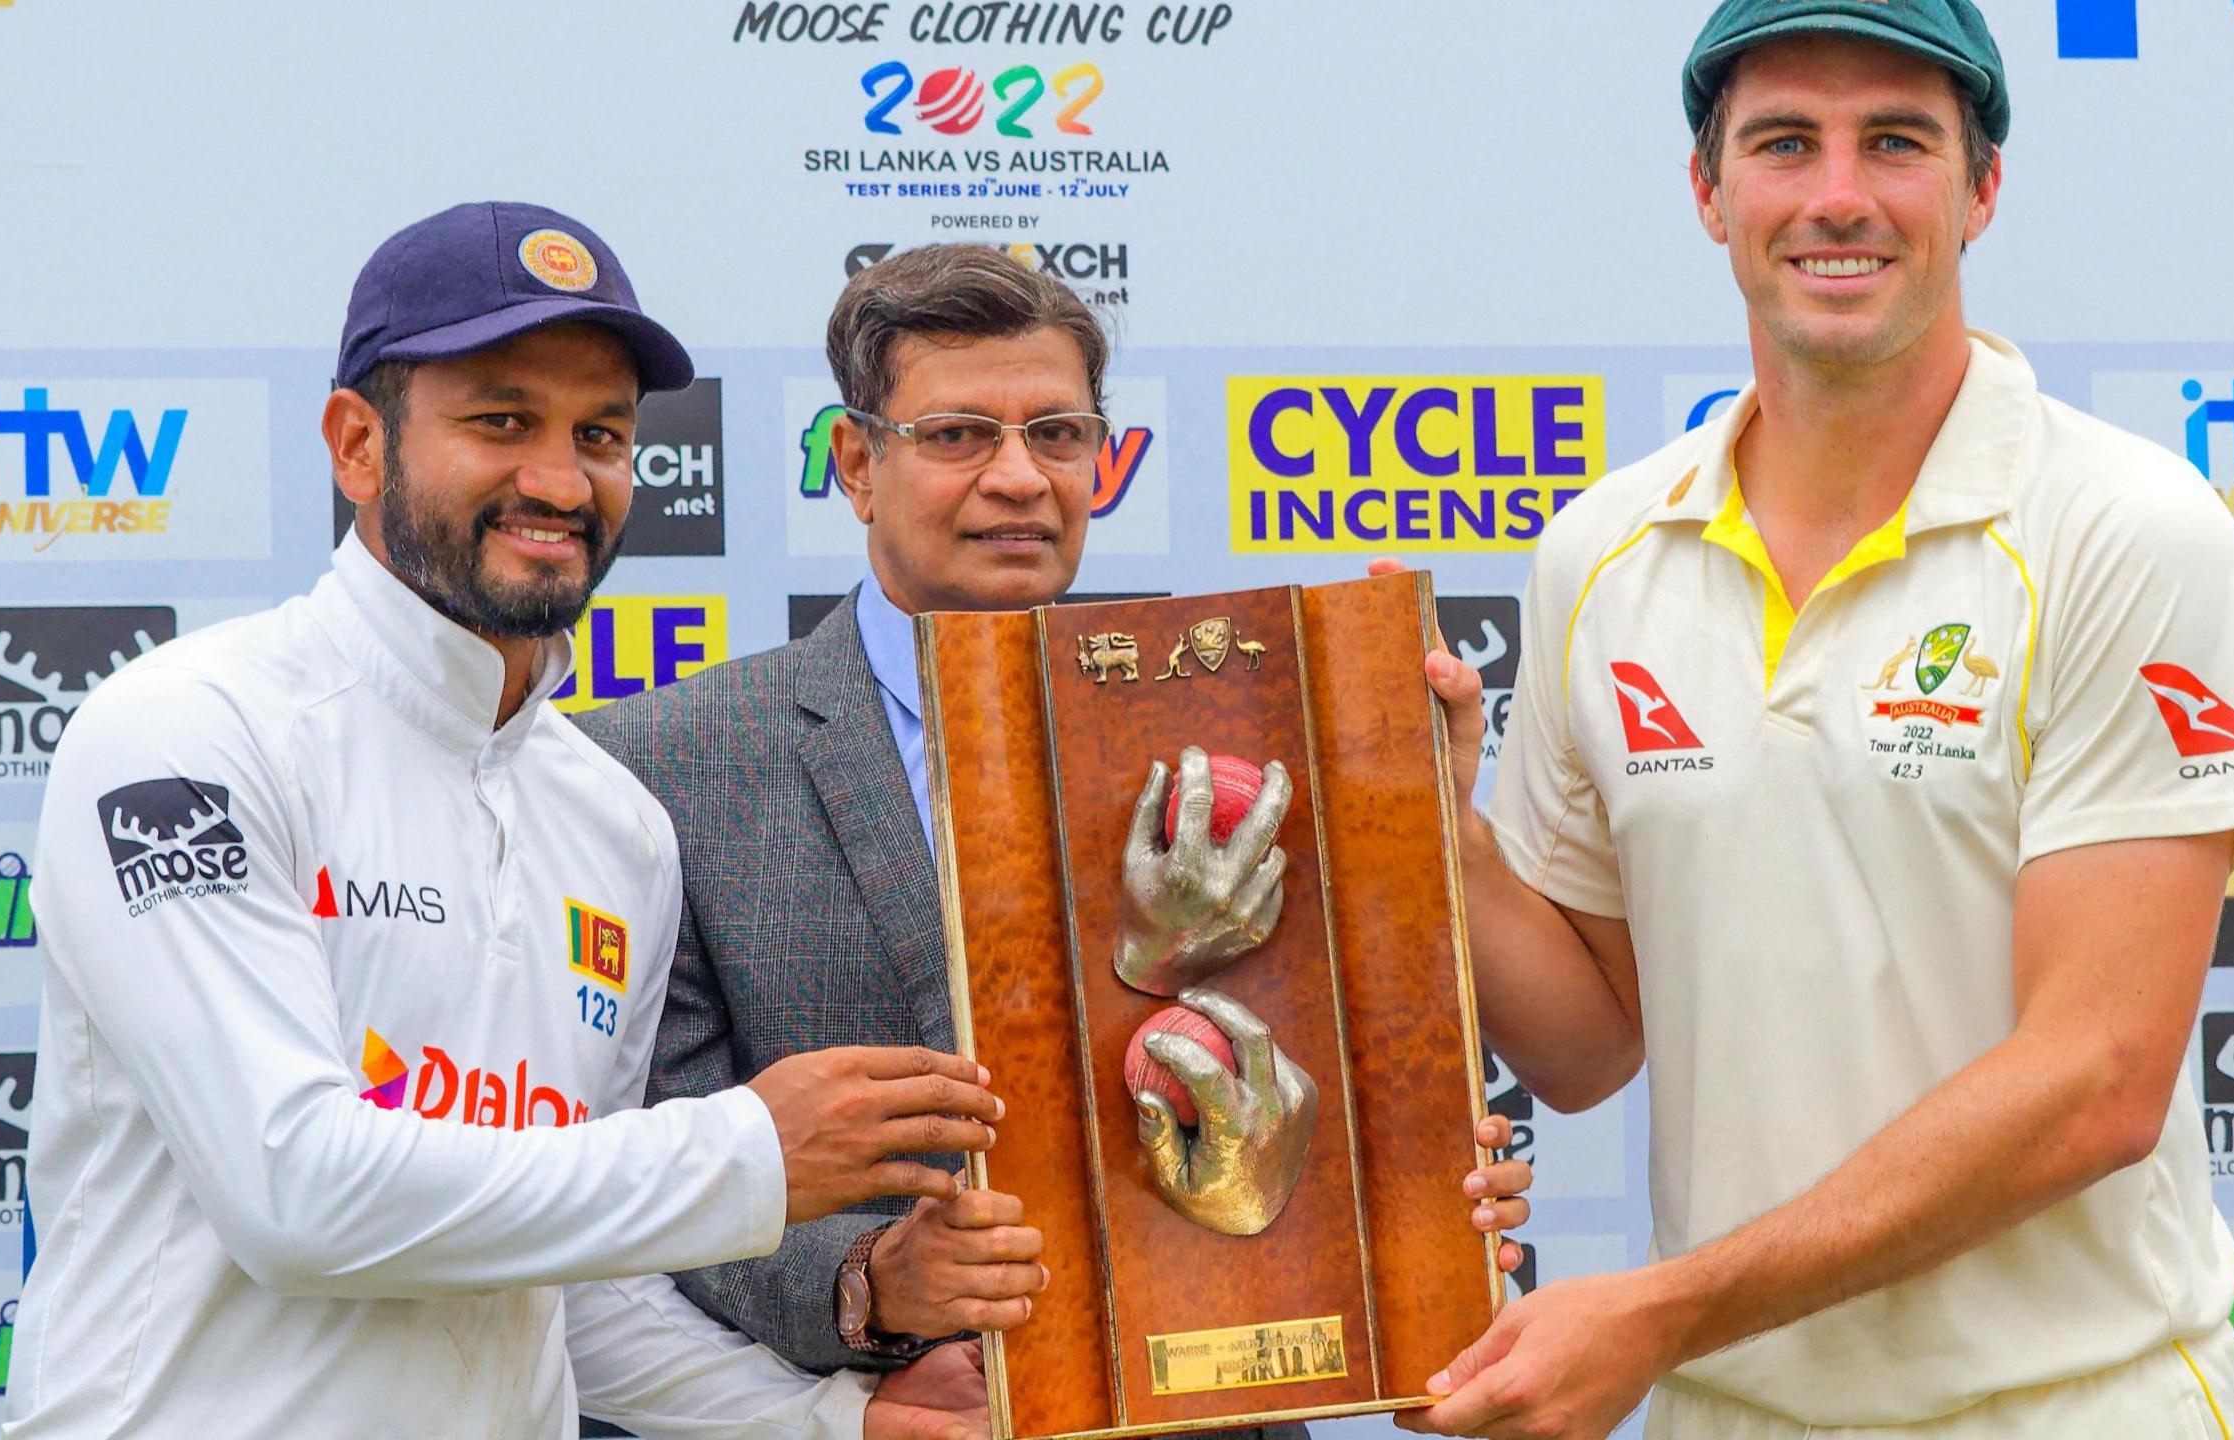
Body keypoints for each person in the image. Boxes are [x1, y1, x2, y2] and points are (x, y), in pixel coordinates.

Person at [1396, 4, 2234, 1437]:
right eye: (1784, 143)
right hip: (1723, 1402)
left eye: (1897, 142)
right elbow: (1587, 1048)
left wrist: (1665, 1306)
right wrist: (1442, 833)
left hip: (2067, 1403)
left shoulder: (2125, 528)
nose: (1838, 197)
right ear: (1709, 191)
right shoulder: (1602, 549)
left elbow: (2102, 1082)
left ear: (1983, 188)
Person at [5, 202, 1005, 1440]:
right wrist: (745, 1153)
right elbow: (294, 1196)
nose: (557, 478)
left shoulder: (615, 825)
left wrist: (832, 1422)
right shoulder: (186, 733)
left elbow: (580, 1303)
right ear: (356, 443)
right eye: (501, 421)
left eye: (600, 432)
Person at [580, 244, 1532, 1431]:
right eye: (958, 434)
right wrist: (871, 1283)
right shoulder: (661, 762)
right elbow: (637, 1169)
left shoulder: (1257, 722)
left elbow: (1337, 1066)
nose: (1020, 477)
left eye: (1059, 433)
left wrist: (1415, 1182)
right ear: (856, 464)